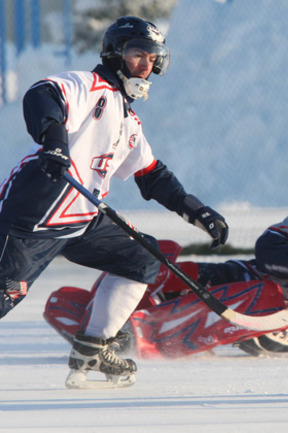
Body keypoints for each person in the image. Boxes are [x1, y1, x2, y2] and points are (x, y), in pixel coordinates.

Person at [0, 16, 229, 388]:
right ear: (113, 53)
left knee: (141, 258)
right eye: (138, 53)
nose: (146, 64)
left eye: (153, 57)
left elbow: (152, 175)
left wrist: (197, 211)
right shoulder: (88, 86)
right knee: (4, 297)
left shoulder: (128, 120)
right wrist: (54, 142)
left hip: (83, 219)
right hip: (34, 215)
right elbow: (42, 94)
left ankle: (92, 346)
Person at [44, 164, 288, 359]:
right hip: (263, 276)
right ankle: (106, 315)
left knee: (254, 300)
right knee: (180, 271)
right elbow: (270, 247)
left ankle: (146, 336)